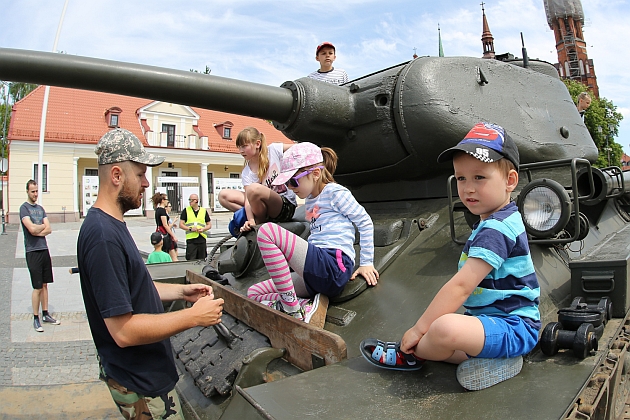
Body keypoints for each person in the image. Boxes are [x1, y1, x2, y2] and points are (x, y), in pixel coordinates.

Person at [360, 122, 540, 391]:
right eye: (461, 178)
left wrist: (419, 329)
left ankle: (412, 354)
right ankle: (483, 359)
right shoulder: (495, 219)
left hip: (514, 327)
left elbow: (461, 286)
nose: (468, 188)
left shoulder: (497, 229)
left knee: (443, 329)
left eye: (479, 177)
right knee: (442, 333)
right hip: (491, 321)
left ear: (510, 181)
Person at [77, 128, 224, 419]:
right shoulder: (103, 236)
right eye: (141, 174)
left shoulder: (111, 225)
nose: (146, 183)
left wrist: (182, 292)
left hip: (144, 375)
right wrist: (193, 317)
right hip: (141, 386)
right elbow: (123, 331)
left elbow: (132, 287)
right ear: (117, 176)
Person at [247, 142, 379, 328]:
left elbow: (364, 221)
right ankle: (305, 306)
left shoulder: (335, 192)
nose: (290, 187)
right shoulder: (310, 200)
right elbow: (316, 233)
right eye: (287, 182)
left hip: (332, 264)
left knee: (267, 231)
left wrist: (366, 262)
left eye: (293, 181)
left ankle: (292, 310)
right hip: (316, 271)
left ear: (316, 174)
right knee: (254, 292)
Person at [218, 127, 298, 233]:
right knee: (223, 195)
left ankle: (260, 222)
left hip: (283, 205)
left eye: (244, 146)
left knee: (253, 189)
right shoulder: (247, 172)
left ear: (257, 144)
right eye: (239, 147)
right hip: (262, 206)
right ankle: (253, 220)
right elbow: (248, 200)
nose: (241, 151)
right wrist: (251, 219)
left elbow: (298, 147)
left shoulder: (273, 150)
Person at [20, 179, 60, 332]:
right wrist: (40, 228)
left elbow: (49, 229)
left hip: (44, 249)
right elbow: (31, 229)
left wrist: (40, 228)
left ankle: (45, 314)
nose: (35, 194)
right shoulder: (24, 209)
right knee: (37, 286)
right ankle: (36, 318)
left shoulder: (41, 209)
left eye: (37, 191)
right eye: (33, 191)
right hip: (32, 251)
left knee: (45, 284)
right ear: (27, 192)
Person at [178, 193, 212, 260]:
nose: (190, 202)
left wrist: (203, 229)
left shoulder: (203, 211)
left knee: (202, 259)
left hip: (201, 238)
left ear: (196, 201)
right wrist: (190, 229)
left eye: (191, 200)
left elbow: (209, 225)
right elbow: (181, 224)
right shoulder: (186, 210)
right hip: (191, 240)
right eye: (189, 200)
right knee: (191, 259)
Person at [151, 192, 178, 261]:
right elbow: (165, 225)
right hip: (164, 232)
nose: (167, 201)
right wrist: (173, 236)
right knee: (172, 254)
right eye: (166, 199)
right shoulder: (162, 211)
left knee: (166, 251)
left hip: (159, 230)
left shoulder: (158, 210)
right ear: (163, 200)